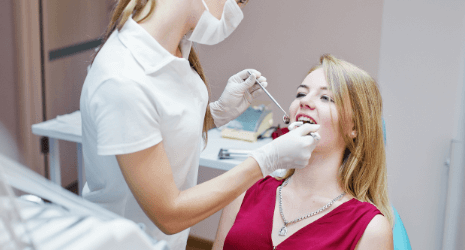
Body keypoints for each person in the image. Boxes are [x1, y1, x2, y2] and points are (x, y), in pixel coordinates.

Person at [78, 0, 321, 249]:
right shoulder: (122, 80)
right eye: (238, 1)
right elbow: (169, 214)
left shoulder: (176, 46)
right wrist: (266, 160)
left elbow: (164, 125)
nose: (237, 13)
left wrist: (215, 114)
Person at [213, 54, 395, 250]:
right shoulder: (244, 191)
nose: (305, 102)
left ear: (355, 127)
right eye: (301, 94)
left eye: (326, 97)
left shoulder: (371, 229)